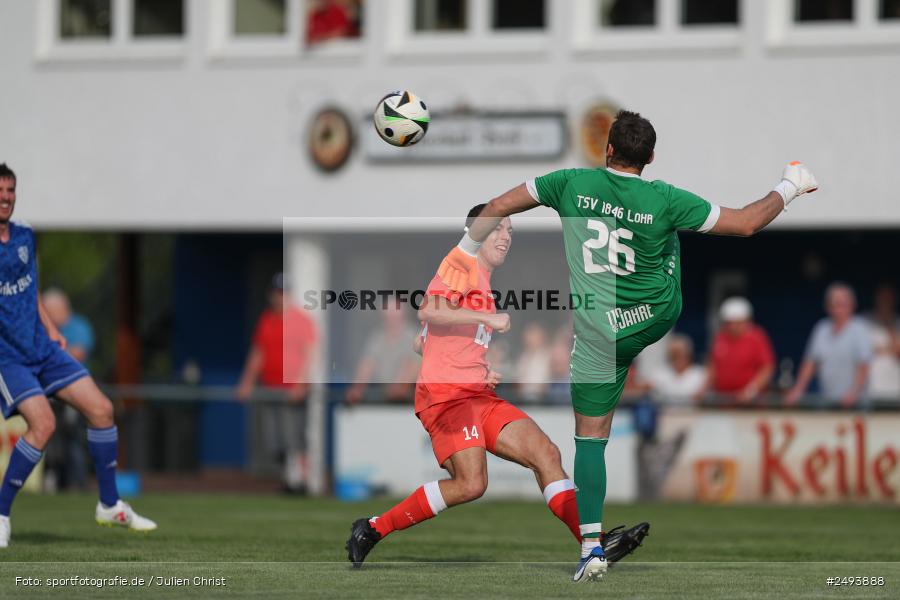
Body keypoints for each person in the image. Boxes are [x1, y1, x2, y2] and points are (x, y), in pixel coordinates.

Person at [434, 110, 818, 581]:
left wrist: (465, 251)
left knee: (589, 440)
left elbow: (498, 204)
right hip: (654, 315)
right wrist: (789, 186)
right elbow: (745, 224)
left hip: (598, 335)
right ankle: (593, 552)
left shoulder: (567, 182)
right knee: (671, 233)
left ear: (608, 149)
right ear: (650, 157)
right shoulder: (663, 196)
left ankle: (591, 549)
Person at [347, 205, 595, 568]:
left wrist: (479, 368)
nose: (506, 236)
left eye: (510, 230)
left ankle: (593, 546)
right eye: (498, 228)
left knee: (547, 454)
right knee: (471, 484)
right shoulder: (461, 263)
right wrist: (484, 317)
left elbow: (423, 339)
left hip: (476, 394)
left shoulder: (483, 280)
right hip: (446, 398)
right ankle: (372, 528)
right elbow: (429, 310)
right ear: (476, 231)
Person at [0, 164, 155, 548]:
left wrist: (52, 329)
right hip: (9, 358)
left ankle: (108, 504)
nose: (5, 197)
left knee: (102, 409)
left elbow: (29, 289)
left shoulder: (25, 235)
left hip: (42, 348)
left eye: (10, 190)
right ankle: (1, 514)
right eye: (0, 191)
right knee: (45, 425)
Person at [237, 273, 318, 493]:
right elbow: (258, 353)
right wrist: (246, 382)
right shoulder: (266, 320)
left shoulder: (301, 320)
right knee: (276, 441)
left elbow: (310, 354)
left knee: (296, 438)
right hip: (270, 388)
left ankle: (302, 481)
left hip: (293, 390)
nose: (279, 298)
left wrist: (301, 384)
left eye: (283, 293)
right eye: (276, 293)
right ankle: (288, 480)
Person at [42, 287, 96, 490]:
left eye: (49, 310)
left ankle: (77, 482)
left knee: (73, 437)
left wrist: (49, 357)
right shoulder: (45, 329)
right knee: (49, 435)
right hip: (50, 391)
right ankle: (52, 480)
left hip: (75, 391)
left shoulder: (78, 327)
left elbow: (78, 354)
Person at [785, 283, 873, 407]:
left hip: (857, 404)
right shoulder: (821, 328)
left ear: (852, 305)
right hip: (829, 401)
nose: (839, 309)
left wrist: (854, 392)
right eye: (835, 304)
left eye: (843, 304)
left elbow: (864, 365)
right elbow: (810, 363)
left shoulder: (860, 328)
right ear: (828, 307)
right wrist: (797, 390)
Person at [701, 297, 776, 404]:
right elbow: (712, 365)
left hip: (750, 403)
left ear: (746, 321)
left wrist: (751, 391)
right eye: (728, 323)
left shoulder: (757, 337)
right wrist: (704, 388)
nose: (732, 327)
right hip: (723, 400)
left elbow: (767, 368)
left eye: (737, 323)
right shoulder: (720, 337)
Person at [345, 303, 420, 404]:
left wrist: (400, 386)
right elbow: (367, 364)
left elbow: (412, 365)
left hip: (410, 401)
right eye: (388, 315)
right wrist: (357, 389)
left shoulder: (413, 336)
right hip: (384, 396)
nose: (391, 318)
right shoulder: (378, 337)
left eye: (394, 315)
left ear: (403, 316)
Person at [642, 334, 705, 406]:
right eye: (673, 355)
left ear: (688, 354)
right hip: (666, 415)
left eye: (680, 354)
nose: (677, 359)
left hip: (694, 415)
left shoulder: (700, 374)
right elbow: (643, 386)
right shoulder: (660, 373)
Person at [865, 284, 900, 402]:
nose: (885, 302)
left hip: (895, 388)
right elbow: (863, 353)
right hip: (870, 389)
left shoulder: (897, 323)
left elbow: (898, 352)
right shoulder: (864, 321)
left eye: (888, 299)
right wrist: (888, 349)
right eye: (882, 299)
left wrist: (889, 324)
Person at [514, 322, 551, 401]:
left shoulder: (546, 356)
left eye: (533, 336)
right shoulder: (523, 356)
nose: (529, 339)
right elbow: (518, 380)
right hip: (523, 398)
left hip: (541, 399)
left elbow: (545, 383)